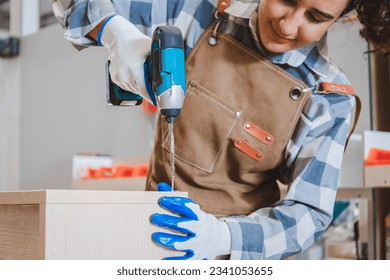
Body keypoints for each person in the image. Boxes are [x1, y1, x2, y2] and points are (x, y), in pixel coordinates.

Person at [52, 0, 390, 260]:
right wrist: (112, 30)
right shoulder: (196, 13)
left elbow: (308, 214)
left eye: (315, 18)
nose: (288, 25)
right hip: (151, 247)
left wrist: (222, 238)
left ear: (342, 18)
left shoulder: (328, 98)